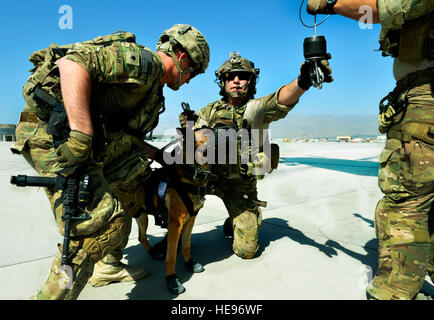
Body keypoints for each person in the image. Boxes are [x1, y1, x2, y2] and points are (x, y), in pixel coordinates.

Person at [11, 24, 209, 299]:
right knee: (103, 224)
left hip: (79, 142)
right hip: (51, 135)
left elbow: (126, 135)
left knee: (132, 191)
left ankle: (108, 267)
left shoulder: (152, 90)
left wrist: (160, 156)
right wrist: (81, 134)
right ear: (183, 58)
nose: (188, 80)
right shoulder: (147, 64)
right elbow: (72, 63)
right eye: (193, 73)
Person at [307, 0, 433, 300]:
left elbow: (376, 11)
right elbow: (370, 18)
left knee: (405, 204)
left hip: (425, 97)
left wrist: (328, 5)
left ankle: (394, 292)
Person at [174, 51, 333, 259]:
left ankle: (243, 216)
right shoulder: (209, 111)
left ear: (251, 81)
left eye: (242, 76)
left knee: (246, 251)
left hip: (240, 184)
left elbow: (282, 98)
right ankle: (175, 232)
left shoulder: (257, 108)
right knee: (176, 203)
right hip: (208, 179)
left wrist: (303, 81)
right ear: (222, 82)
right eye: (230, 77)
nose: (236, 81)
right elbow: (195, 139)